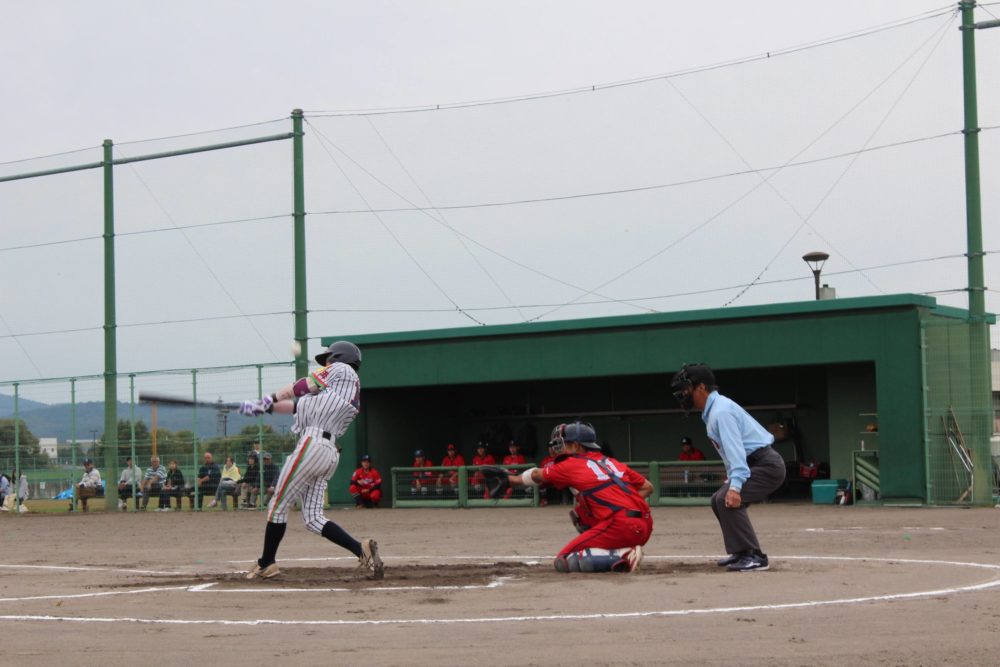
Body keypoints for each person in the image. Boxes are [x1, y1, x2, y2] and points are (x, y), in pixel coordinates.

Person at [236, 340, 383, 580]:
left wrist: (268, 399)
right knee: (313, 518)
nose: (325, 364)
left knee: (277, 505)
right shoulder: (334, 391)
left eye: (328, 359)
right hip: (327, 451)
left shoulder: (342, 370)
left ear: (339, 358)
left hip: (313, 445)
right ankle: (361, 550)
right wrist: (261, 407)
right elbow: (297, 406)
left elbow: (304, 385)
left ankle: (266, 563)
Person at [671, 363, 786, 572]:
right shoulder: (713, 410)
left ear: (701, 387)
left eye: (687, 388)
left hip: (766, 465)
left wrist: (735, 487)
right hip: (754, 463)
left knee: (727, 499)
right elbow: (730, 455)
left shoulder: (721, 411)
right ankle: (741, 552)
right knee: (718, 499)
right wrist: (730, 480)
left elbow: (736, 452)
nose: (684, 394)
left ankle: (755, 556)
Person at [501, 422, 652, 572]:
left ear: (576, 446)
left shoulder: (572, 464)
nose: (560, 448)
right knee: (581, 513)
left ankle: (624, 554)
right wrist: (626, 507)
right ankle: (621, 549)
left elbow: (536, 475)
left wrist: (511, 480)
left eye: (565, 444)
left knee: (564, 560)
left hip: (621, 526)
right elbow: (648, 487)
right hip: (645, 524)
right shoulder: (611, 462)